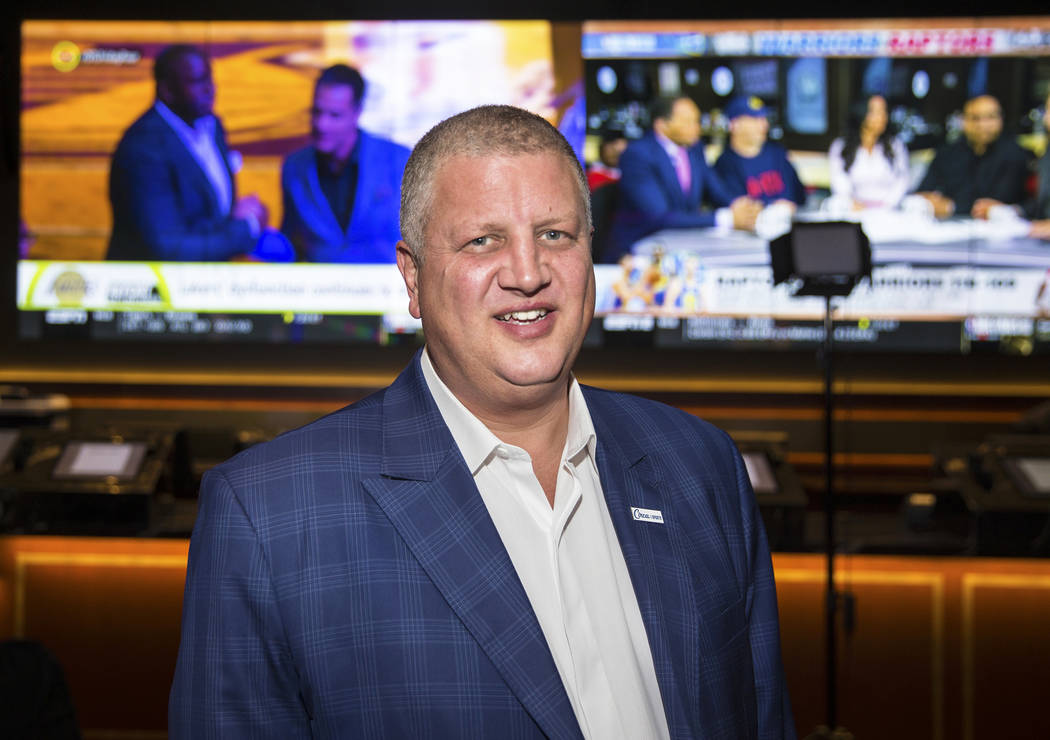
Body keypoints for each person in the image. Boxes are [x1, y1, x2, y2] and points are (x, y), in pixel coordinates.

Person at [170, 104, 795, 739]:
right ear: (412, 279)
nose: (528, 274)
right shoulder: (270, 517)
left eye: (555, 235)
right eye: (482, 240)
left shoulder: (700, 465)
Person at [107, 44, 273, 261]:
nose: (210, 89)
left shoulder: (212, 124)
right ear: (167, 90)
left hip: (204, 284)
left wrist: (240, 215)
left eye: (209, 79)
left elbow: (208, 214)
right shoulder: (143, 149)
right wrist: (246, 228)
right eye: (197, 81)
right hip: (153, 288)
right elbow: (169, 248)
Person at [607, 96, 763, 262]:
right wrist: (727, 218)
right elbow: (659, 217)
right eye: (689, 122)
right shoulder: (637, 155)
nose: (697, 127)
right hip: (637, 252)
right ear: (662, 125)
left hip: (683, 246)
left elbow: (716, 190)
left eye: (697, 121)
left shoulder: (694, 149)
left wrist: (743, 207)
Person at [281, 64, 410, 262]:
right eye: (316, 112)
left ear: (357, 112)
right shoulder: (294, 167)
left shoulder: (399, 161)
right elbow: (289, 242)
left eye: (334, 115)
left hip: (387, 288)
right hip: (319, 289)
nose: (321, 124)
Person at [915, 94, 1030, 219]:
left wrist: (952, 207)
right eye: (975, 118)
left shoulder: (1014, 154)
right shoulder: (947, 152)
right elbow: (924, 192)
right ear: (964, 121)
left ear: (1001, 119)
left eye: (990, 117)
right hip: (948, 227)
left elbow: (996, 203)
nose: (983, 125)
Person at [972, 90, 1050, 240]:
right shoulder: (1047, 154)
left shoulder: (1014, 152)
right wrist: (1011, 211)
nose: (1047, 118)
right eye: (1047, 110)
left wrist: (1030, 229)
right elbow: (1043, 205)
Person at [714, 96, 806, 208]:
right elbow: (737, 207)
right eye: (755, 120)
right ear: (734, 124)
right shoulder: (725, 165)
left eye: (764, 119)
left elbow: (799, 196)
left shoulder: (778, 154)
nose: (764, 125)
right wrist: (773, 207)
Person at [828, 94, 910, 210]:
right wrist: (851, 203)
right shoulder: (841, 147)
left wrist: (887, 205)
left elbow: (902, 180)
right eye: (876, 112)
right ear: (862, 114)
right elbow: (839, 181)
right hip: (853, 210)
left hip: (889, 210)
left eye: (884, 112)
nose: (883, 117)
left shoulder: (895, 146)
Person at [587, 126, 627, 191]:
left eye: (619, 151)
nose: (615, 154)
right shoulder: (593, 177)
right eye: (611, 149)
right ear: (601, 150)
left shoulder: (630, 177)